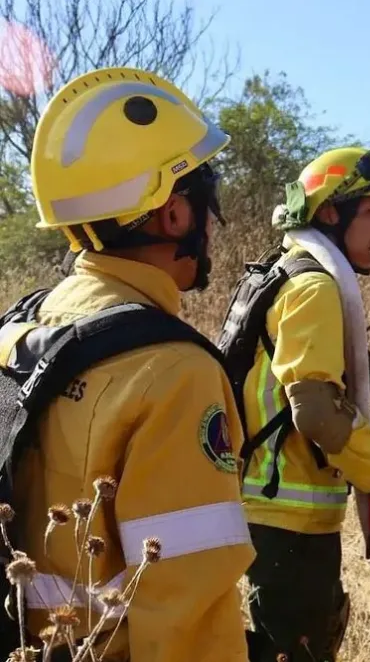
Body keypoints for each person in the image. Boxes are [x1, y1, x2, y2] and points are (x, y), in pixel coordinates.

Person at [0, 67, 254, 660]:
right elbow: (188, 620)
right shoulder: (174, 375)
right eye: (206, 205)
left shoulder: (20, 330)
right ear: (174, 215)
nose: (213, 226)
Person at [221, 146, 370, 661]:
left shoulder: (287, 273)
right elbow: (314, 409)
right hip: (290, 520)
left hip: (272, 509)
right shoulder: (313, 286)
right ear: (330, 211)